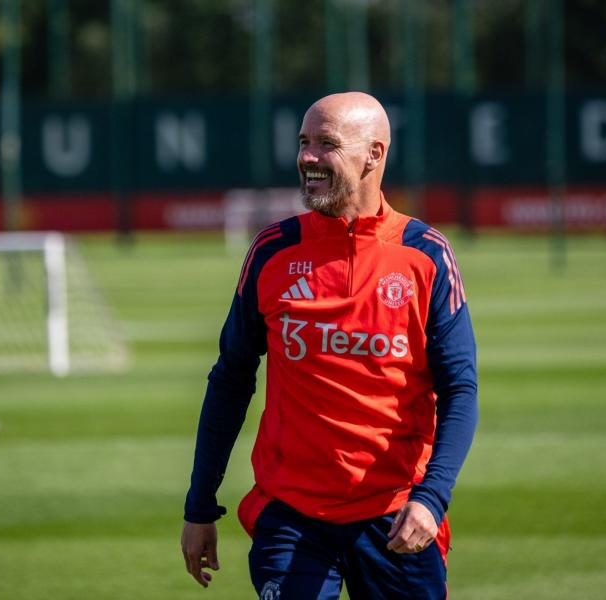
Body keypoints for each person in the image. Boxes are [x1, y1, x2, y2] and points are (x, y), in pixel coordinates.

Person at [180, 92, 478, 599]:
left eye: (326, 144)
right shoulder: (273, 250)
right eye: (303, 143)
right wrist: (199, 504)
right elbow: (231, 378)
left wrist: (431, 499)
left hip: (395, 515)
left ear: (374, 155)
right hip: (292, 516)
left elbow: (460, 389)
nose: (307, 158)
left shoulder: (425, 255)